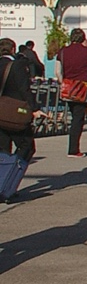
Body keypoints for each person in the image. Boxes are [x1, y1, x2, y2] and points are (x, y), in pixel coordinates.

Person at [0, 38, 37, 201]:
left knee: (2, 150)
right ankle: (9, 184)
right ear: (13, 49)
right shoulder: (16, 66)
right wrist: (35, 108)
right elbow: (24, 89)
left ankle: (2, 183)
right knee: (26, 146)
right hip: (14, 113)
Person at [59, 28, 87, 157]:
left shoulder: (62, 52)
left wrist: (63, 82)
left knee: (74, 115)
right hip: (82, 87)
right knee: (78, 119)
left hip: (68, 87)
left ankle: (73, 148)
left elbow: (58, 71)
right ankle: (73, 149)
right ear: (83, 38)